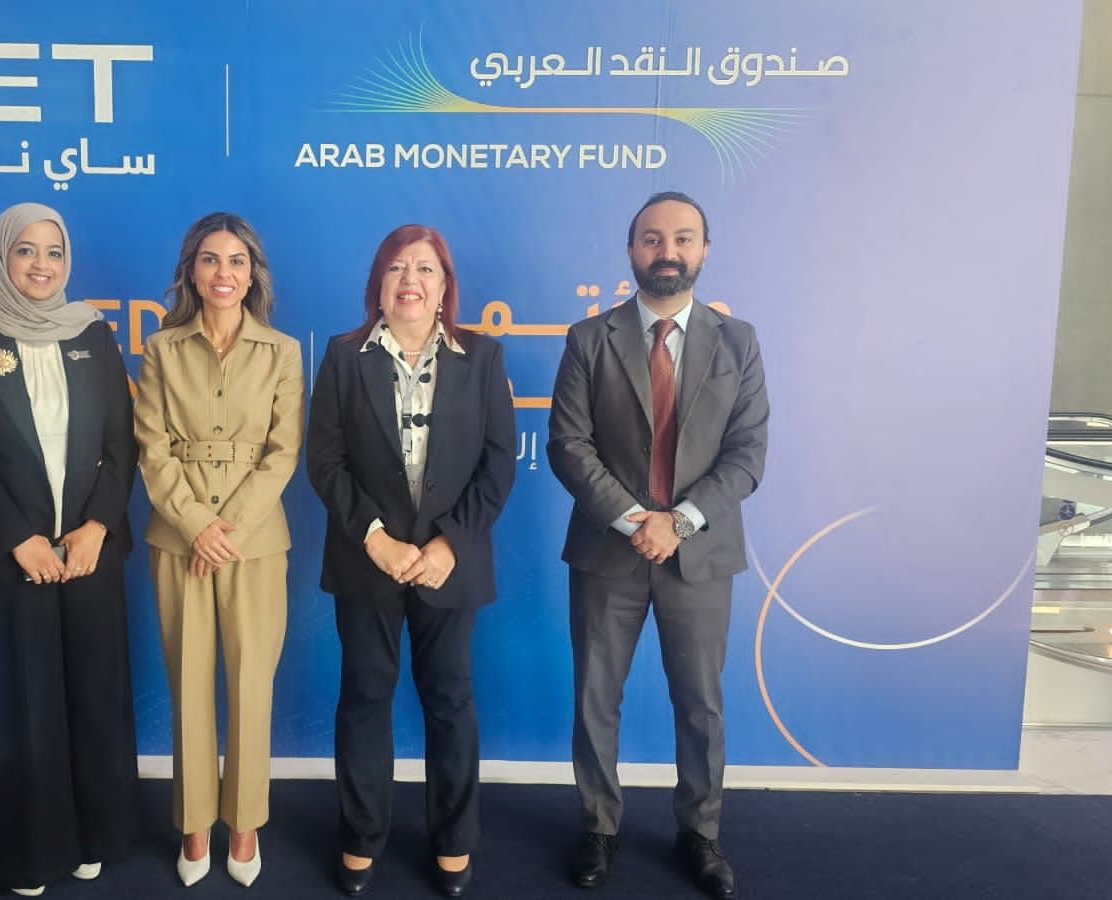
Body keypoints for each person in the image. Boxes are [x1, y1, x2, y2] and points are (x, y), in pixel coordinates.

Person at [547, 191, 769, 899]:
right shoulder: (590, 338)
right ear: (631, 250)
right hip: (607, 551)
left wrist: (679, 522)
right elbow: (568, 445)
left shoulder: (739, 342)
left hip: (699, 554)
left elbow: (747, 455)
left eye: (682, 238)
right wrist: (634, 519)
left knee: (701, 705)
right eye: (651, 239)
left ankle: (700, 833)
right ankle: (598, 827)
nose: (666, 251)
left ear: (704, 250)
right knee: (595, 699)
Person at [0, 202, 140, 897]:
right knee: (21, 707)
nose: (41, 265)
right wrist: (18, 539)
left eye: (53, 251)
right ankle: (25, 853)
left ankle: (91, 835)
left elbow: (121, 444)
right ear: (1, 257)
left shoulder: (94, 336)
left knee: (91, 697)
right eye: (25, 250)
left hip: (87, 555)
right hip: (7, 559)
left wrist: (98, 526)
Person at [306, 224, 516, 898]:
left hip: (449, 562)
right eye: (397, 268)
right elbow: (325, 461)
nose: (410, 281)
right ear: (378, 284)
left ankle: (454, 840)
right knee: (365, 696)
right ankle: (362, 835)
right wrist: (375, 538)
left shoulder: (482, 357)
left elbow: (498, 464)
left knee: (450, 700)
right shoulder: (343, 356)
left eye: (425, 269)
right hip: (366, 557)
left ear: (445, 285)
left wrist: (449, 544)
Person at [133, 211, 304, 889]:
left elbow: (283, 451)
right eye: (210, 259)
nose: (223, 273)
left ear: (253, 273)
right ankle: (194, 823)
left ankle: (245, 823)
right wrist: (194, 524)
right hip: (178, 541)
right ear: (191, 271)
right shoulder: (160, 349)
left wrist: (224, 528)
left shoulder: (282, 351)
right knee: (189, 685)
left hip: (254, 544)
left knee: (252, 684)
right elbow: (152, 448)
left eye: (237, 261)